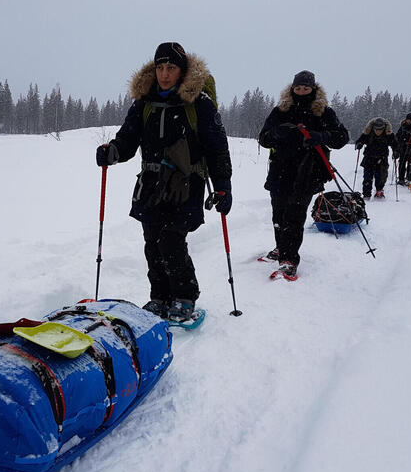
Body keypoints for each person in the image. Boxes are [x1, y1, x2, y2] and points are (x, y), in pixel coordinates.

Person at [95, 42, 232, 322]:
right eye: (160, 67)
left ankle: (184, 297)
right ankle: (159, 296)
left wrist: (223, 186)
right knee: (152, 242)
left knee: (171, 241)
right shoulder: (145, 102)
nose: (165, 74)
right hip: (151, 184)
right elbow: (128, 139)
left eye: (171, 68)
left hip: (186, 184)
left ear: (181, 71)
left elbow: (217, 148)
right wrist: (113, 152)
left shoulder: (199, 104)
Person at [257, 70, 349, 280]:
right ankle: (281, 248)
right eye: (298, 88)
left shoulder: (324, 112)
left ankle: (289, 260)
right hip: (280, 169)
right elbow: (263, 138)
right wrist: (277, 133)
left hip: (308, 171)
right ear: (292, 89)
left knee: (294, 216)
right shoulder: (280, 110)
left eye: (305, 88)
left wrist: (321, 136)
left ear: (313, 89)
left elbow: (342, 137)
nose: (301, 91)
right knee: (278, 214)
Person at [354, 117, 398, 199]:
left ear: (384, 128)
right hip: (369, 158)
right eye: (376, 129)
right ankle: (366, 194)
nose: (378, 131)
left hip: (382, 158)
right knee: (367, 177)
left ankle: (379, 190)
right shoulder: (368, 133)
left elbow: (395, 144)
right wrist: (359, 144)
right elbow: (359, 140)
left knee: (380, 177)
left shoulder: (388, 134)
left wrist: (396, 151)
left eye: (380, 129)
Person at [394, 112, 411, 185]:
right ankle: (401, 178)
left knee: (410, 164)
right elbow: (398, 136)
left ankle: (409, 178)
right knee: (402, 163)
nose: (409, 121)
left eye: (410, 120)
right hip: (403, 147)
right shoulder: (403, 126)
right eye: (408, 119)